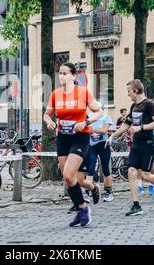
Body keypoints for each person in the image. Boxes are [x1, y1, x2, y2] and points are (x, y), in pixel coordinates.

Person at [43, 62, 103, 227]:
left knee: (69, 175)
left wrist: (86, 122)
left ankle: (83, 210)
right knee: (70, 179)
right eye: (59, 73)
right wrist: (49, 121)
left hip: (80, 137)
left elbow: (99, 111)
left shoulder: (83, 92)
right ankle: (88, 195)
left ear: (73, 76)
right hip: (63, 137)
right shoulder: (55, 94)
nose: (61, 76)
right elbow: (47, 114)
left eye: (64, 73)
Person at [106, 79, 154, 216]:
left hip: (148, 145)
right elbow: (126, 125)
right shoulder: (133, 106)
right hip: (136, 145)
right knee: (131, 171)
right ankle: (136, 205)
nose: (128, 94)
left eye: (129, 91)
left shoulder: (149, 105)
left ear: (135, 91)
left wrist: (141, 127)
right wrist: (113, 136)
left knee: (145, 175)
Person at [86, 101, 115, 202]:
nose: (93, 110)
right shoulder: (88, 118)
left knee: (106, 169)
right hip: (92, 146)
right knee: (90, 169)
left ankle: (109, 192)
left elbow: (104, 130)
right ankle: (87, 192)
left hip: (103, 145)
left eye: (95, 108)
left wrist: (92, 130)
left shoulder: (105, 117)